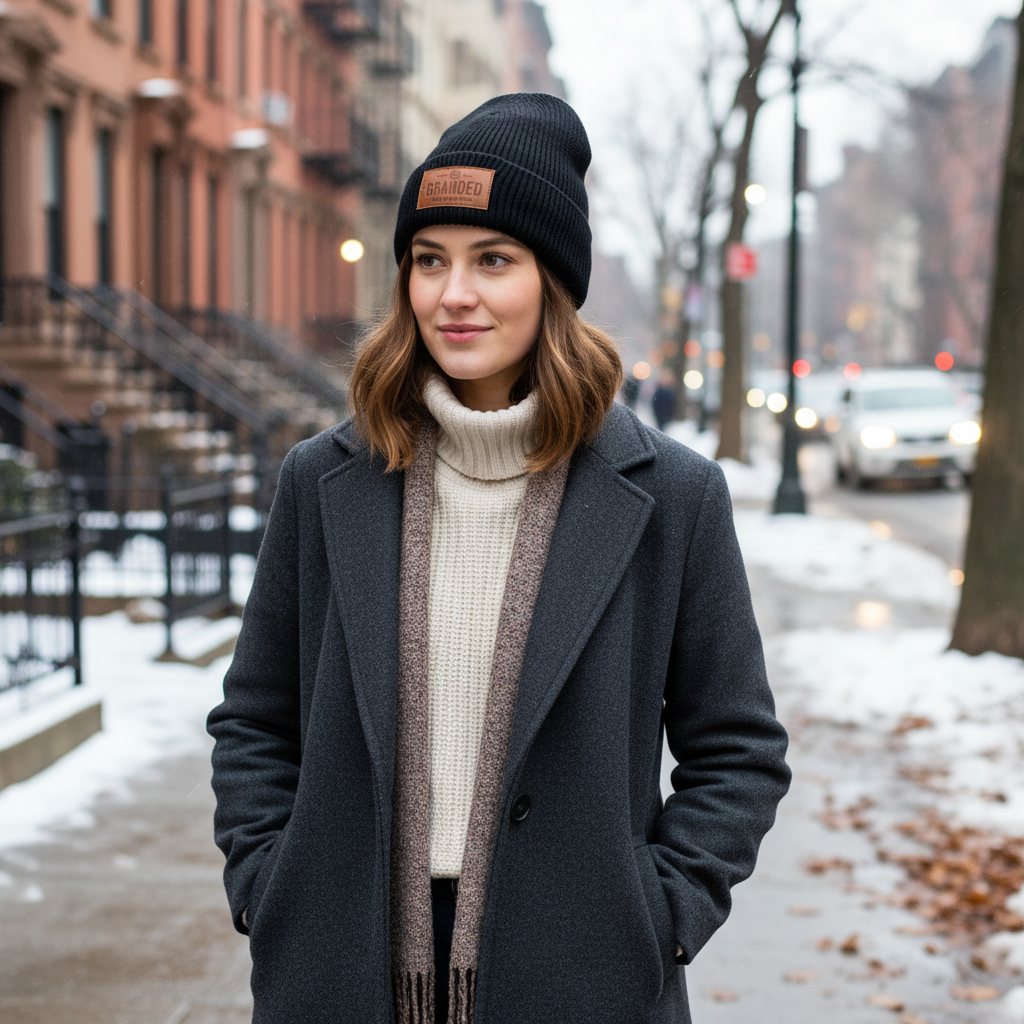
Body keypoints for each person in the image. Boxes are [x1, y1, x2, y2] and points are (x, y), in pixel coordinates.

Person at [207, 93, 790, 1024]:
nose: (454, 294)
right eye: (429, 259)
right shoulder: (324, 480)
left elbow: (738, 750)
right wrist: (269, 891)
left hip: (584, 975)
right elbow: (255, 719)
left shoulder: (673, 496)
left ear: (552, 281)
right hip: (340, 963)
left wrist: (656, 919)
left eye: (493, 260)